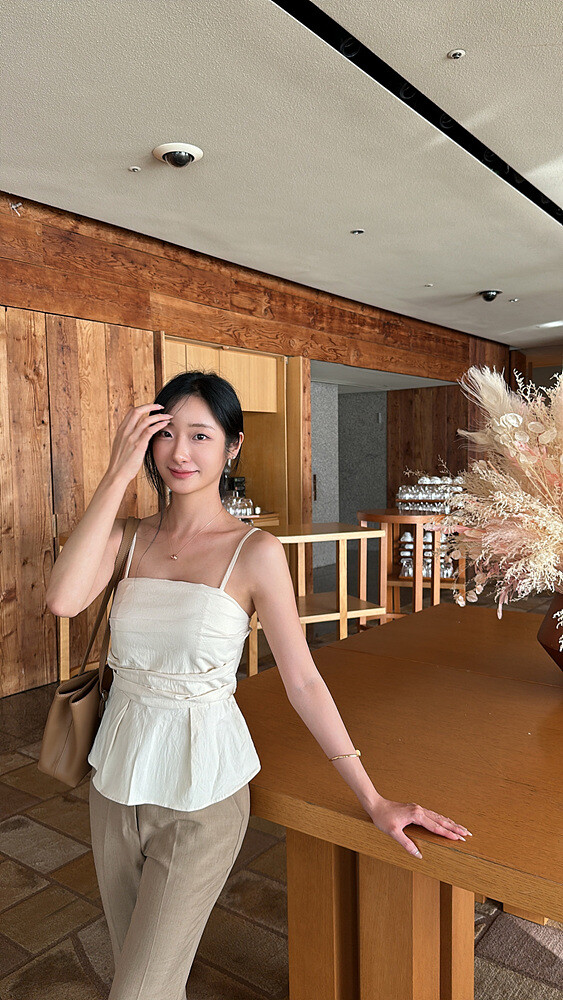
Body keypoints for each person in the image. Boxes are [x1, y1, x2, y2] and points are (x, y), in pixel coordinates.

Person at [46, 370, 471, 1000]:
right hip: (114, 786)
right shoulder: (127, 537)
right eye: (166, 434)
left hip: (203, 795)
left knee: (137, 992)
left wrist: (372, 797)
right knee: (142, 973)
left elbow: (302, 679)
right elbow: (62, 600)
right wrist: (114, 474)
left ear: (233, 445)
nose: (181, 452)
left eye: (201, 435)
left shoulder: (255, 551)